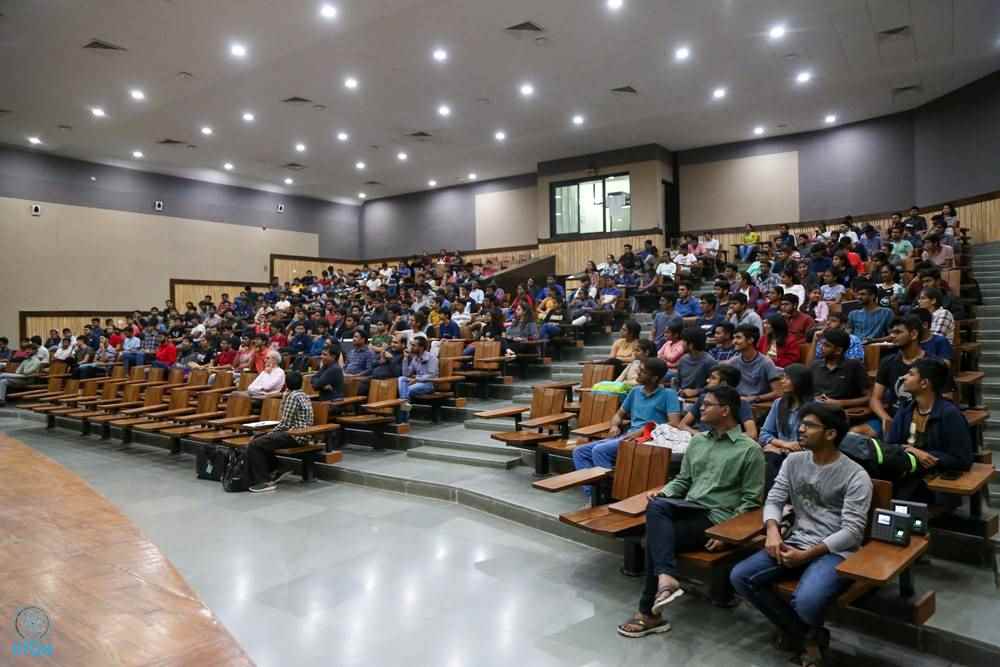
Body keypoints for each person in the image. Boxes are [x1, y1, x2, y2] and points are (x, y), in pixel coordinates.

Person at [731, 402, 872, 667]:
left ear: (830, 434)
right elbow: (774, 499)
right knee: (740, 576)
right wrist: (772, 531)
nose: (801, 429)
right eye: (802, 423)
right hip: (794, 540)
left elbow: (852, 532)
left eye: (809, 425)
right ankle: (808, 637)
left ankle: (797, 633)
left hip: (832, 551)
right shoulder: (794, 461)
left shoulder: (855, 475)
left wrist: (808, 554)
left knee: (807, 602)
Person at [617, 385, 764, 639]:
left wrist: (727, 534)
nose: (700, 408)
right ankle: (665, 581)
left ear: (726, 410)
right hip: (688, 509)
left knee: (654, 536)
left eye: (707, 404)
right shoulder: (697, 441)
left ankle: (649, 612)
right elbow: (683, 480)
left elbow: (751, 501)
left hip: (715, 519)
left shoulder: (749, 449)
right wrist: (664, 493)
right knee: (658, 505)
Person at [887, 358, 973, 503]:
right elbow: (890, 445)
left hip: (935, 480)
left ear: (924, 383)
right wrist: (911, 449)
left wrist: (929, 456)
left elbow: (962, 460)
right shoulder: (905, 409)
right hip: (907, 471)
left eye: (911, 374)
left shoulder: (949, 414)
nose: (904, 377)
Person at [572, 358, 680, 474]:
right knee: (579, 452)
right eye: (640, 370)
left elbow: (674, 423)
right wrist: (614, 426)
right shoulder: (635, 392)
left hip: (648, 439)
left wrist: (643, 430)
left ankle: (611, 487)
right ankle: (593, 491)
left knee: (600, 451)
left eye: (643, 372)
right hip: (628, 436)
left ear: (654, 378)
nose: (638, 374)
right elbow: (618, 415)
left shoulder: (668, 394)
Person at [860, 317, 929, 438]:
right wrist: (885, 418)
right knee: (854, 435)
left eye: (898, 332)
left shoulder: (932, 364)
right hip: (893, 417)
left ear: (913, 334)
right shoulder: (888, 362)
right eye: (891, 332)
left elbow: (945, 399)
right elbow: (875, 398)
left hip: (922, 421)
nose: (892, 336)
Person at [247, 371, 315, 493]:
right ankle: (279, 468)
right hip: (299, 434)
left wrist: (270, 433)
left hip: (296, 436)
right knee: (258, 439)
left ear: (286, 384)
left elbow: (285, 423)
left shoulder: (292, 397)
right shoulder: (303, 395)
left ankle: (264, 481)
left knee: (255, 444)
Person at [760, 364, 814, 491]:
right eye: (782, 377)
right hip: (781, 451)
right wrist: (784, 444)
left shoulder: (815, 407)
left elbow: (816, 440)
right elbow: (764, 433)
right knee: (770, 455)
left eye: (787, 378)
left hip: (805, 454)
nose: (782, 381)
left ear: (800, 381)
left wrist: (790, 447)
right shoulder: (779, 403)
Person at [679, 365, 758, 439]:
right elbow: (682, 424)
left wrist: (723, 439)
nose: (707, 380)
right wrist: (700, 436)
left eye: (713, 378)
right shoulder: (703, 398)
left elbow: (752, 433)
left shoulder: (741, 403)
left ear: (724, 384)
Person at [809, 328, 869, 409]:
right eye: (822, 344)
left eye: (827, 346)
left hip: (841, 412)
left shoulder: (854, 366)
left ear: (838, 350)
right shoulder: (815, 365)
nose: (821, 347)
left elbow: (869, 397)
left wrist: (840, 403)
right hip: (816, 408)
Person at [725, 324, 783, 404]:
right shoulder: (733, 362)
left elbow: (778, 392)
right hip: (737, 402)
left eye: (738, 337)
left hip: (758, 405)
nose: (734, 341)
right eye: (734, 338)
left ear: (751, 340)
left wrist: (755, 398)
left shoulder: (766, 363)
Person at [397, 336, 438, 422]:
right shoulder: (414, 358)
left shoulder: (431, 357)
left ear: (421, 347)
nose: (411, 347)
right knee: (401, 378)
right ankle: (405, 404)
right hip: (417, 383)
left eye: (413, 345)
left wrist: (417, 379)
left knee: (406, 390)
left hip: (429, 384)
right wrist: (405, 358)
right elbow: (406, 374)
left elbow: (432, 375)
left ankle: (403, 418)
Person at [675, 328, 717, 399]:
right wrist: (679, 390)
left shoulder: (709, 362)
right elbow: (678, 381)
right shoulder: (683, 359)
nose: (681, 343)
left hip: (700, 398)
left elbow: (715, 385)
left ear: (691, 345)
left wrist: (696, 391)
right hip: (682, 397)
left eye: (683, 341)